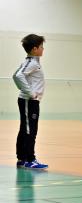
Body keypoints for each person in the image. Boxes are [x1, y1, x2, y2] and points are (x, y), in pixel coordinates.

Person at [13, 34, 48, 169]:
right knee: (30, 130)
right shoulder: (31, 63)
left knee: (26, 129)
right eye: (41, 47)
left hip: (31, 101)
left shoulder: (33, 62)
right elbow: (17, 75)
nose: (43, 49)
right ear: (34, 49)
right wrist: (30, 92)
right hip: (29, 101)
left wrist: (24, 89)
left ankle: (22, 158)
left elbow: (15, 76)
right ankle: (30, 159)